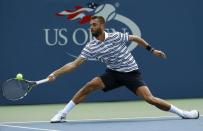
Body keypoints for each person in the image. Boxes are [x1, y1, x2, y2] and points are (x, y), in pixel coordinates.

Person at [48, 16, 199, 123]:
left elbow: (134, 38)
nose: (91, 28)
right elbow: (74, 64)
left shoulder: (116, 36)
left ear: (102, 26)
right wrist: (55, 73)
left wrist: (152, 50)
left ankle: (184, 113)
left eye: (94, 25)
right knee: (90, 85)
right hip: (113, 73)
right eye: (90, 25)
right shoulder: (91, 46)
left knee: (150, 99)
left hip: (131, 73)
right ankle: (63, 113)